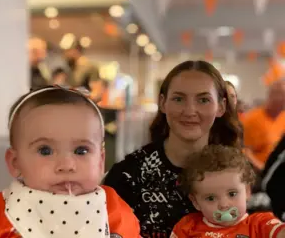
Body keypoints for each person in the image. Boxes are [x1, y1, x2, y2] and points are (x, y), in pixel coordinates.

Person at [0, 86, 140, 238]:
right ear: (15, 163)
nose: (67, 165)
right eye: (45, 151)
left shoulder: (115, 211)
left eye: (81, 151)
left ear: (101, 161)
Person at [103, 60, 242, 238]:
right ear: (163, 103)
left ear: (221, 106)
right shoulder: (129, 175)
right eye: (178, 99)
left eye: (203, 100)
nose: (190, 110)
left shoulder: (235, 173)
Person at [171, 144, 285, 238]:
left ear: (247, 191)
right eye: (210, 198)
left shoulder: (260, 223)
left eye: (232, 194)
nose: (224, 205)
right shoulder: (187, 226)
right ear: (195, 202)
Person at [242, 79, 285, 167]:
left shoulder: (283, 117)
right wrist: (263, 170)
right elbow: (245, 150)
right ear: (272, 95)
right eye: (283, 95)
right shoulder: (252, 119)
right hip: (258, 173)